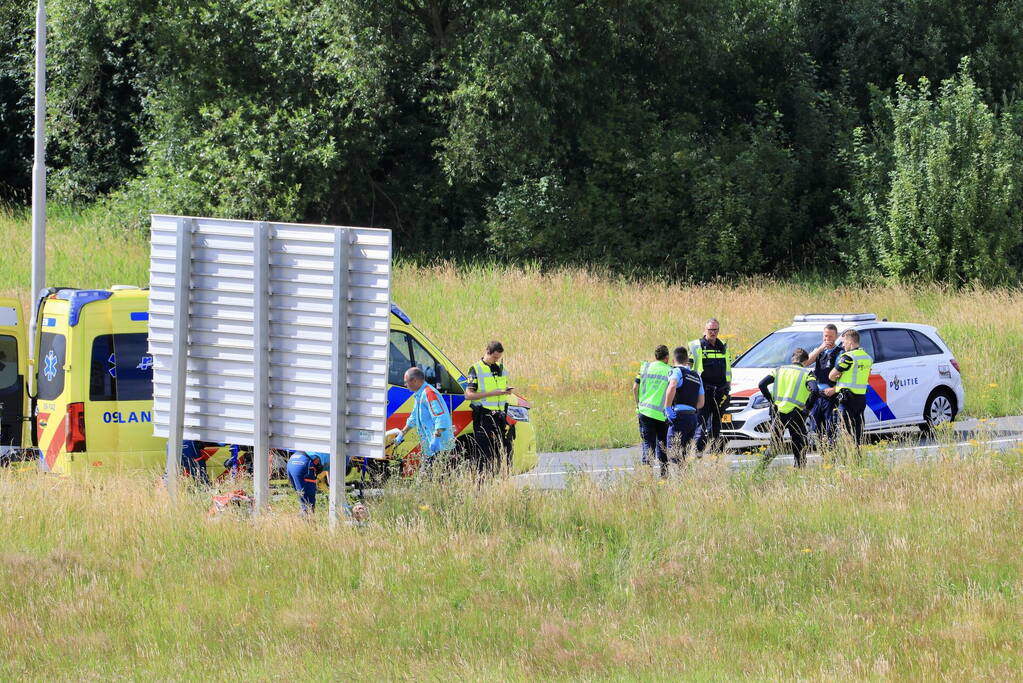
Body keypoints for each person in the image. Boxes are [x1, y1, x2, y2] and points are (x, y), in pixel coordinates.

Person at [759, 348, 818, 468]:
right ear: (805, 361)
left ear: (792, 359)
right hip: (796, 413)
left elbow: (762, 384)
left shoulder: (779, 370)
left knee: (775, 443)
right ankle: (799, 467)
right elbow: (815, 390)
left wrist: (771, 400)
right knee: (798, 441)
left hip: (778, 411)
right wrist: (808, 408)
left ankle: (761, 468)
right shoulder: (807, 373)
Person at [389, 366, 455, 467]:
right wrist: (402, 434)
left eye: (406, 382)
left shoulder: (429, 393)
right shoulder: (419, 394)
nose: (405, 385)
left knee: (434, 474)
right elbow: (413, 418)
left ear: (415, 381)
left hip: (440, 446)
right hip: (430, 447)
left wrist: (436, 438)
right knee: (428, 473)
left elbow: (441, 417)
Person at [464, 341, 513, 473]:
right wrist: (493, 393)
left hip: (499, 416)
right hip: (483, 416)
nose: (496, 360)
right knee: (484, 453)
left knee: (501, 451)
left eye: (499, 358)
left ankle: (498, 478)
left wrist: (506, 390)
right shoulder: (476, 369)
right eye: (494, 357)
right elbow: (468, 395)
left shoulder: (500, 369)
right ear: (487, 352)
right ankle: (482, 479)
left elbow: (499, 387)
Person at [825, 329, 873, 447]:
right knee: (858, 429)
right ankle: (857, 452)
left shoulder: (848, 358)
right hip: (861, 398)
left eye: (844, 342)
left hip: (847, 399)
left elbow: (831, 376)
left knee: (846, 430)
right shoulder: (867, 357)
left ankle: (848, 455)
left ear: (850, 342)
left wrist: (839, 377)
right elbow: (865, 375)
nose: (842, 345)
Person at [689, 318, 732, 452]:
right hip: (703, 393)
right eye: (710, 330)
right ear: (705, 330)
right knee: (701, 424)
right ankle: (698, 453)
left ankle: (715, 453)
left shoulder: (722, 346)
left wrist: (727, 388)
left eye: (715, 330)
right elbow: (689, 368)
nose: (713, 332)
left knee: (716, 424)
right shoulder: (698, 347)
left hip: (720, 392)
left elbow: (728, 369)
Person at [664, 346, 705, 471]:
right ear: (687, 360)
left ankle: (677, 478)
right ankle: (685, 477)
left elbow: (672, 386)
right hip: (692, 417)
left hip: (679, 416)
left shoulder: (676, 371)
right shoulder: (697, 376)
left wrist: (667, 407)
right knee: (685, 453)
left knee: (673, 453)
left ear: (673, 360)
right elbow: (701, 403)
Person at [633, 345, 672, 474]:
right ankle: (664, 474)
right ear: (667, 357)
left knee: (648, 444)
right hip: (661, 414)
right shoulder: (670, 370)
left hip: (644, 412)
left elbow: (635, 388)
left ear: (655, 356)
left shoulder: (645, 367)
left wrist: (638, 405)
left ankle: (647, 474)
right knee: (662, 444)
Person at [803, 324, 842, 446]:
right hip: (817, 395)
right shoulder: (819, 351)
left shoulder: (840, 352)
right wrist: (820, 348)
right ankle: (821, 450)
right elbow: (805, 363)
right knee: (815, 428)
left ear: (836, 336)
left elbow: (843, 374)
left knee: (830, 427)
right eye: (825, 336)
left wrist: (835, 389)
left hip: (830, 395)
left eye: (830, 336)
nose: (827, 339)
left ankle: (832, 449)